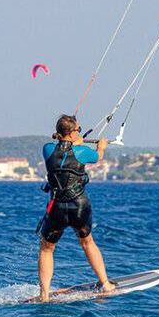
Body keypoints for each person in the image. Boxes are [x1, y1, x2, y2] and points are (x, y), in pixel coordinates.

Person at [38, 114, 115, 302]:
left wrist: (74, 138)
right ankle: (105, 284)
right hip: (79, 206)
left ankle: (44, 294)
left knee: (47, 248)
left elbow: (63, 148)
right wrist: (102, 146)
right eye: (78, 129)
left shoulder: (47, 149)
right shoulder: (83, 152)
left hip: (57, 207)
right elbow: (98, 156)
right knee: (87, 242)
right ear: (72, 133)